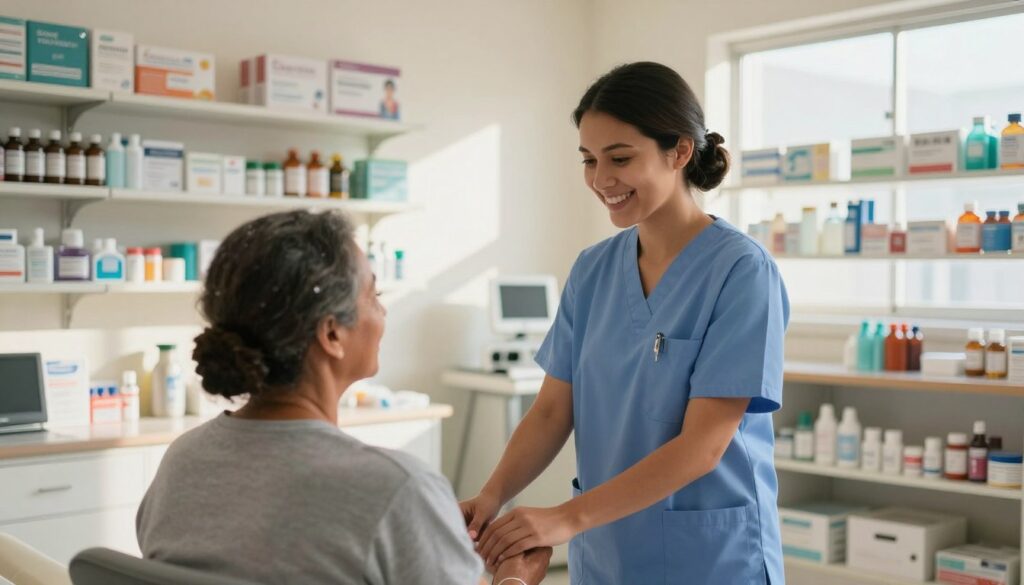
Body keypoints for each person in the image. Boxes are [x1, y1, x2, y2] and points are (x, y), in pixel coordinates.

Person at [461, 62, 790, 584]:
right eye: (589, 160)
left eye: (619, 158)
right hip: (606, 553)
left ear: (679, 152)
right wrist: (492, 495)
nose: (600, 180)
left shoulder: (741, 272)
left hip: (708, 558)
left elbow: (704, 446)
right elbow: (550, 413)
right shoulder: (593, 270)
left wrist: (562, 518)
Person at [136, 210, 550, 585]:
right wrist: (514, 579)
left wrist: (424, 534)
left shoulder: (184, 461)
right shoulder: (396, 488)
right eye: (374, 297)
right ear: (332, 334)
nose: (383, 314)